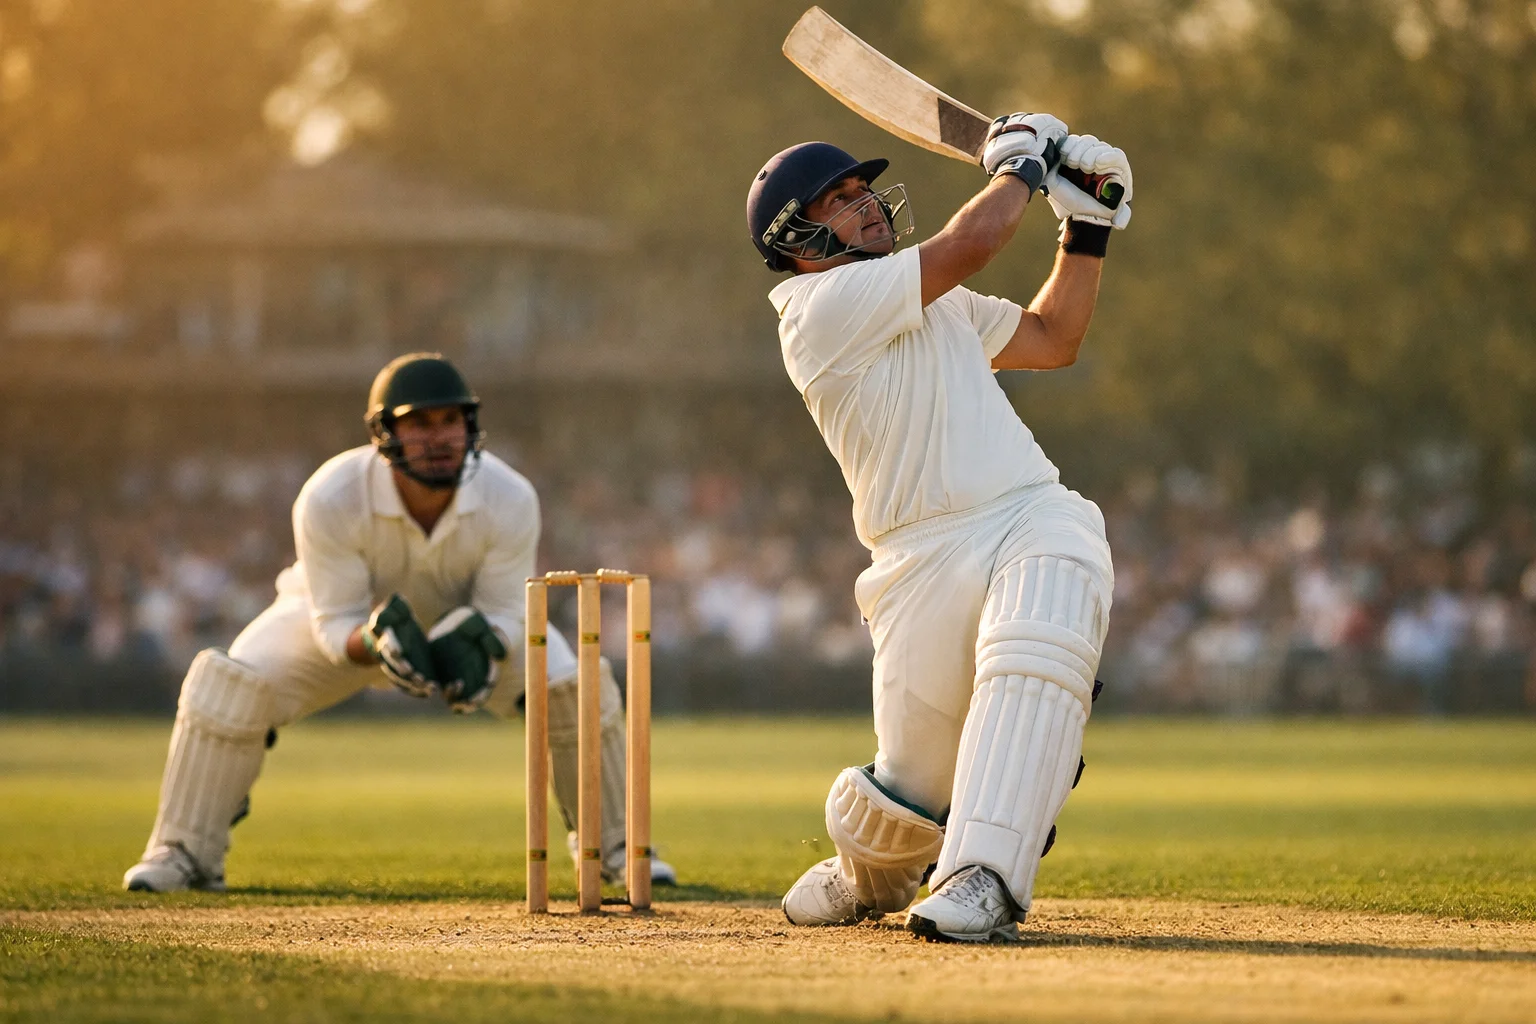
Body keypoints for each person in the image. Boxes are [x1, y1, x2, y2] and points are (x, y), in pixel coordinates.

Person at [745, 116, 1127, 942]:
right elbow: (972, 242)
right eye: (840, 199)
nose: (867, 204)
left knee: (1038, 638)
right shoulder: (816, 308)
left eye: (864, 190)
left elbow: (1052, 339)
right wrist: (1022, 167)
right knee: (910, 800)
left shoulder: (933, 300)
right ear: (795, 237)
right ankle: (868, 871)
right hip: (914, 563)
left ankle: (984, 876)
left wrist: (1087, 229)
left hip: (1026, 511)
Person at [122, 352, 675, 893]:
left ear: (470, 426)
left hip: (470, 634)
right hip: (352, 631)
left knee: (573, 688)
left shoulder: (509, 496)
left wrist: (482, 644)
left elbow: (510, 611)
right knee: (230, 685)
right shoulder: (331, 495)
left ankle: (619, 848)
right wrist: (377, 641)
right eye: (420, 424)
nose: (439, 438)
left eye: (451, 421)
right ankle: (183, 850)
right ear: (384, 434)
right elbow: (332, 620)